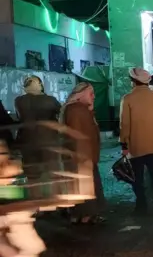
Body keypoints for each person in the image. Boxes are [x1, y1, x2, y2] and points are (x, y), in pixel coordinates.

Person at [120, 67, 153, 215]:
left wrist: (124, 144)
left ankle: (142, 205)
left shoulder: (127, 98)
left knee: (137, 177)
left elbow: (124, 124)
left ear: (133, 81)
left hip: (136, 145)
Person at [60, 83, 106, 225]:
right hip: (83, 157)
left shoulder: (76, 109)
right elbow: (80, 136)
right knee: (86, 187)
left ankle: (81, 215)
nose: (94, 96)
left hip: (81, 157)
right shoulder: (77, 111)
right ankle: (85, 216)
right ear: (80, 95)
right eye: (90, 93)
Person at [14, 75, 61, 198]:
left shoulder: (19, 101)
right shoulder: (50, 100)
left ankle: (37, 205)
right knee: (52, 174)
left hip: (27, 141)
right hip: (48, 141)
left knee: (32, 176)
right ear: (40, 85)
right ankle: (54, 203)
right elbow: (60, 114)